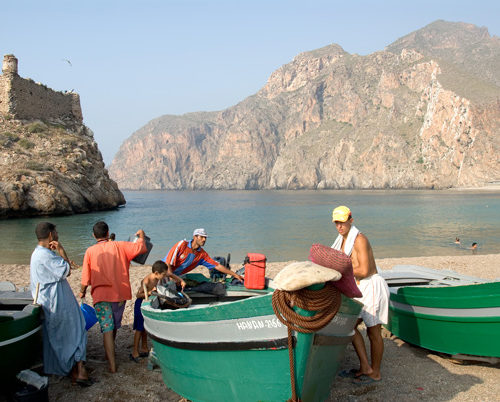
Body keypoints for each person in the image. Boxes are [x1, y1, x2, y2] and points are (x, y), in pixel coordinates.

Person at [331, 206, 389, 385]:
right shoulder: (342, 241)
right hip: (356, 288)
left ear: (351, 220)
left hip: (370, 286)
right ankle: (365, 367)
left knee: (373, 331)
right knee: (349, 327)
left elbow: (364, 270)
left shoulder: (359, 240)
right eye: (337, 222)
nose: (340, 226)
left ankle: (375, 373)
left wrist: (340, 272)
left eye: (342, 221)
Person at [80, 221, 148, 373]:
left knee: (107, 329)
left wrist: (82, 292)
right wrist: (141, 235)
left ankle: (111, 363)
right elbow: (141, 248)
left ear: (93, 235)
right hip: (119, 295)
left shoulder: (90, 251)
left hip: (100, 295)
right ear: (108, 232)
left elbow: (85, 278)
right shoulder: (120, 246)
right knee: (114, 326)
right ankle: (110, 355)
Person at [30, 222, 92, 386]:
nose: (57, 234)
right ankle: (79, 369)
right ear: (50, 235)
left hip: (50, 297)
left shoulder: (39, 253)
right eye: (55, 231)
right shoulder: (45, 255)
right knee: (76, 328)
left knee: (61, 333)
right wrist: (62, 251)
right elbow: (66, 270)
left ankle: (72, 367)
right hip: (56, 299)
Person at [130, 260, 186, 362]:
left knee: (144, 327)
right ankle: (134, 351)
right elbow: (138, 295)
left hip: (148, 302)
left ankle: (144, 347)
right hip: (141, 303)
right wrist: (150, 292)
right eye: (163, 275)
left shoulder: (160, 274)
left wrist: (180, 280)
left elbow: (170, 274)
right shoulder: (146, 281)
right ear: (156, 273)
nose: (165, 277)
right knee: (139, 329)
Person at [163, 228, 243, 281]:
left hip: (176, 276)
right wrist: (172, 278)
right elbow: (168, 262)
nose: (204, 239)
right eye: (202, 237)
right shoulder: (182, 245)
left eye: (205, 237)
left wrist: (234, 274)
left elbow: (217, 265)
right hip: (163, 272)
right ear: (195, 237)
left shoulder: (202, 254)